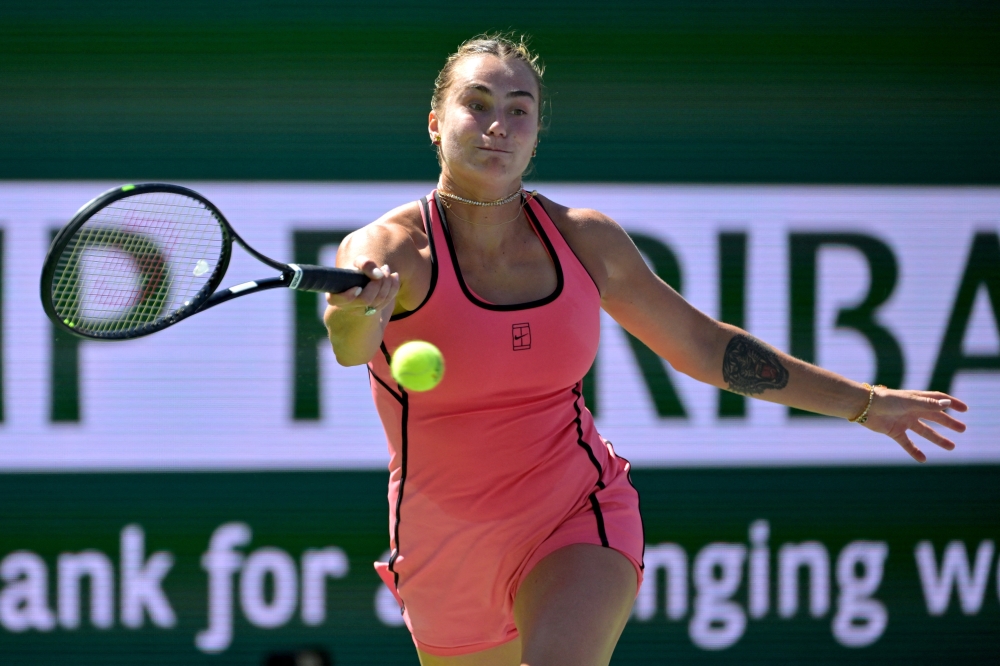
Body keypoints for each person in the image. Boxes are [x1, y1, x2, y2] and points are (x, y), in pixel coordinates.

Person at [323, 34, 968, 666]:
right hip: (444, 549)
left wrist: (867, 404)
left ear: (537, 131)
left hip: (576, 516)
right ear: (436, 123)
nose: (499, 124)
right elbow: (350, 347)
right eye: (479, 103)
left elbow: (703, 346)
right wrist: (361, 313)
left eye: (519, 109)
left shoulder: (587, 242)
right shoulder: (389, 248)